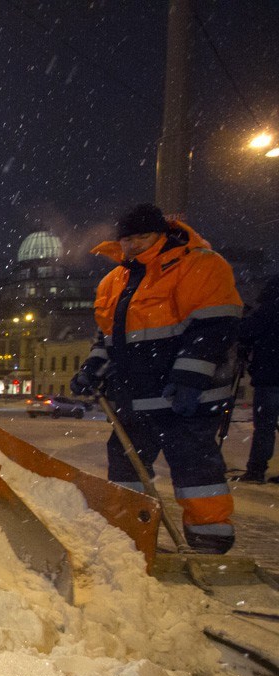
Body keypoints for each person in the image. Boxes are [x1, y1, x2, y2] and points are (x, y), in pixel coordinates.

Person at [70, 203, 243, 554]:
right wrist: (92, 368)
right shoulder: (113, 281)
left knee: (195, 467)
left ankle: (210, 539)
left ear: (162, 234)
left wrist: (189, 377)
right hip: (135, 397)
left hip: (186, 396)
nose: (133, 245)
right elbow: (108, 338)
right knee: (125, 467)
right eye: (127, 239)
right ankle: (126, 532)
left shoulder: (200, 265)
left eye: (142, 237)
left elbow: (214, 327)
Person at [237, 276, 279, 483]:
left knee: (265, 427)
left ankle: (256, 470)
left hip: (270, 377)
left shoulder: (269, 309)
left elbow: (245, 332)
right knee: (266, 426)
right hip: (269, 375)